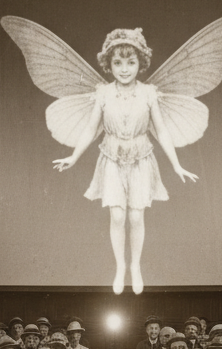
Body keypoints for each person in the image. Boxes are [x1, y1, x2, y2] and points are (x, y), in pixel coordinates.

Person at [45, 25, 200, 295]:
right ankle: (120, 267)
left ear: (141, 63)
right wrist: (74, 156)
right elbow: (91, 129)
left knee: (137, 216)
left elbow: (161, 130)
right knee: (117, 216)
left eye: (131, 62)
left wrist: (176, 165)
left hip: (141, 158)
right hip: (112, 158)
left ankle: (135, 267)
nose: (124, 68)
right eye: (118, 62)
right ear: (109, 64)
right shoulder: (103, 93)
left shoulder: (149, 92)